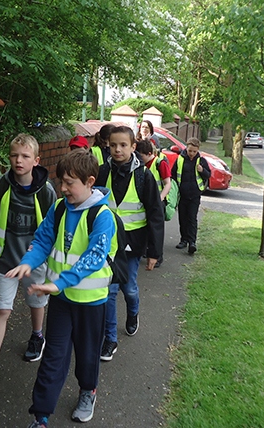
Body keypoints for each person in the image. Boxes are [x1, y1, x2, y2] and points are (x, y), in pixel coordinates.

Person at [6, 149, 118, 428]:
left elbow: (94, 258)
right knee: (53, 357)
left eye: (70, 182)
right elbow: (43, 239)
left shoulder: (103, 216)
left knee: (87, 354)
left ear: (90, 181)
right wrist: (28, 263)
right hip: (60, 300)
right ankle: (41, 416)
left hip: (91, 302)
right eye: (61, 182)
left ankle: (87, 391)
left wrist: (57, 283)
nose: (63, 188)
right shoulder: (58, 208)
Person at [0, 133, 57, 387]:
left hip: (34, 262)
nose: (18, 161)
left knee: (36, 302)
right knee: (2, 310)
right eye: (14, 155)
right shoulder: (1, 186)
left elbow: (53, 228)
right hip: (7, 261)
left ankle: (37, 335)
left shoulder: (46, 191)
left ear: (36, 160)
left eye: (25, 156)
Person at [95, 125, 164, 361]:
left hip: (133, 245)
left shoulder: (144, 176)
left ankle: (133, 313)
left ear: (134, 147)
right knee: (110, 290)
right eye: (113, 145)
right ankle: (110, 338)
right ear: (107, 145)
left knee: (130, 288)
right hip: (108, 243)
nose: (117, 149)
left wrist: (154, 253)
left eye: (123, 145)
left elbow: (155, 214)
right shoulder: (103, 172)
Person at [171, 137, 210, 254]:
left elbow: (208, 175)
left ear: (198, 150)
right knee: (182, 218)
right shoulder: (180, 159)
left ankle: (192, 242)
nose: (192, 153)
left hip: (194, 194)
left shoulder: (201, 161)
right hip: (182, 194)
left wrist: (202, 170)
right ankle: (184, 240)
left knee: (192, 218)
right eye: (190, 151)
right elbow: (173, 174)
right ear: (186, 148)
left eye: (194, 151)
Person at [135, 140, 171, 268]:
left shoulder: (160, 163)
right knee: (147, 228)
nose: (139, 158)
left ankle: (158, 256)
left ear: (149, 153)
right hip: (147, 201)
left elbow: (168, 183)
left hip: (158, 201)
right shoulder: (142, 166)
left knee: (156, 230)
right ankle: (146, 251)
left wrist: (160, 198)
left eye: (141, 156)